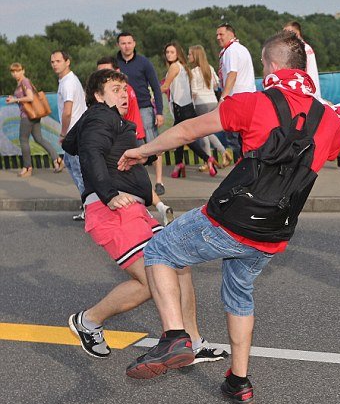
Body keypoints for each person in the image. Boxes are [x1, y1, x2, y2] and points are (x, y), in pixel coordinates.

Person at [118, 30, 340, 404]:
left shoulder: (253, 103)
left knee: (159, 250)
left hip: (231, 219)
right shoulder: (329, 120)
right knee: (239, 294)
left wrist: (142, 151)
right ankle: (239, 382)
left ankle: (174, 336)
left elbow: (188, 130)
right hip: (273, 231)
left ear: (270, 66)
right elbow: (333, 152)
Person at [63, 68, 227, 365]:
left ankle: (193, 342)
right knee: (153, 280)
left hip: (133, 209)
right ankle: (88, 321)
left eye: (124, 89)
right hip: (112, 210)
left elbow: (118, 157)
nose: (123, 94)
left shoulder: (113, 121)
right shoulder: (100, 116)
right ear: (98, 96)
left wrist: (148, 159)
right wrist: (109, 195)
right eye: (115, 89)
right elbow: (90, 153)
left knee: (179, 266)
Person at [96, 56, 173, 226]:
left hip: (127, 136)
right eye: (100, 72)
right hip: (131, 134)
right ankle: (160, 207)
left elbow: (123, 115)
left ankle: (145, 213)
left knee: (128, 174)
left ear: (116, 71)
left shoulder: (120, 92)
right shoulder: (121, 90)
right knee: (137, 173)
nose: (102, 76)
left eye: (106, 72)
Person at [116, 32, 166, 196]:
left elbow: (156, 87)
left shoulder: (144, 62)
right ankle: (136, 182)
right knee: (128, 145)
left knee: (154, 144)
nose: (126, 46)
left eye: (129, 43)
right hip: (123, 110)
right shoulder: (115, 64)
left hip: (144, 108)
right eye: (123, 43)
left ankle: (159, 181)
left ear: (134, 43)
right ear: (118, 45)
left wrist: (159, 112)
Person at [161, 42, 218, 178]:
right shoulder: (183, 67)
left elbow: (165, 86)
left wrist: (151, 94)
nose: (169, 55)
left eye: (172, 52)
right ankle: (179, 164)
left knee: (183, 138)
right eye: (167, 52)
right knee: (180, 138)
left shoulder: (174, 67)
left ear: (177, 54)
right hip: (187, 107)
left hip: (181, 109)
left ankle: (207, 158)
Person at [5, 62, 63, 177]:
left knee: (23, 140)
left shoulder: (25, 81)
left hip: (27, 115)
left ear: (23, 70)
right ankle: (57, 159)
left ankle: (27, 167)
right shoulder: (20, 83)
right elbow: (25, 98)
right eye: (13, 71)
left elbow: (30, 97)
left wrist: (15, 100)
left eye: (18, 71)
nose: (15, 73)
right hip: (33, 115)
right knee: (38, 138)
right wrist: (15, 98)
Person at [51, 50, 87, 221]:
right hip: (77, 131)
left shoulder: (68, 83)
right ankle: (88, 203)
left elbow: (67, 111)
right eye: (52, 62)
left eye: (58, 61)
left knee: (79, 172)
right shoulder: (68, 80)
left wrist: (64, 134)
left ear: (67, 62)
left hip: (74, 133)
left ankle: (89, 207)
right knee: (70, 164)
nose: (55, 64)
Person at [187, 44, 231, 170]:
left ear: (195, 56)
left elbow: (194, 91)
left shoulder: (194, 72)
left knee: (203, 133)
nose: (188, 56)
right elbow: (217, 85)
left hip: (201, 104)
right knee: (208, 132)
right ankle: (222, 153)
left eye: (190, 54)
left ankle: (210, 159)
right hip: (212, 101)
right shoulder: (209, 68)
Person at [216, 23, 256, 159]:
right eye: (217, 35)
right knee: (246, 138)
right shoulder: (242, 49)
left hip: (236, 99)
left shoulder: (230, 51)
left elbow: (232, 74)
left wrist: (223, 98)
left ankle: (243, 165)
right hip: (249, 98)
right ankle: (250, 165)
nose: (218, 37)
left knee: (234, 137)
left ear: (231, 34)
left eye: (221, 34)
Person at [284, 21, 321, 100]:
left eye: (287, 33)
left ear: (296, 33)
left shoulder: (302, 49)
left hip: (307, 92)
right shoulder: (304, 48)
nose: (284, 36)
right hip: (310, 92)